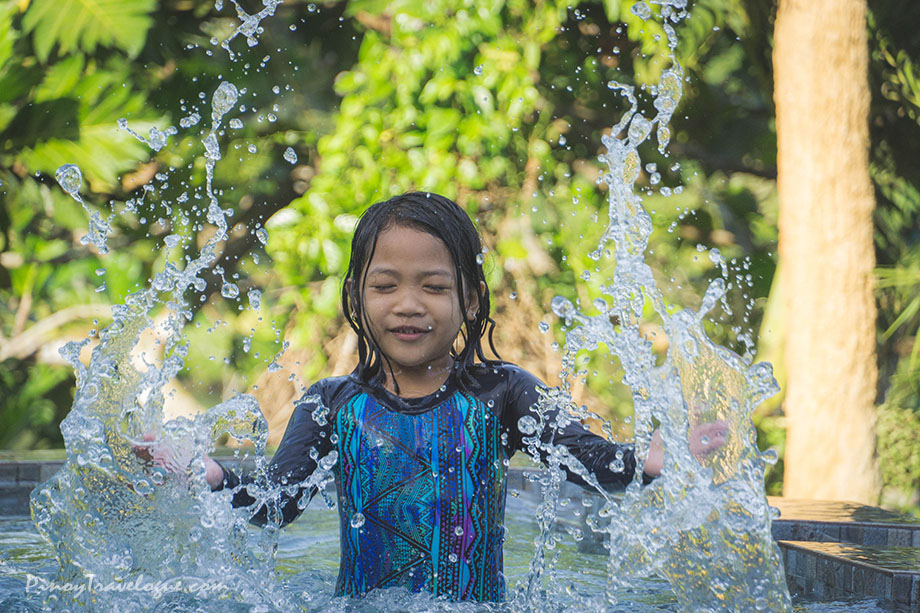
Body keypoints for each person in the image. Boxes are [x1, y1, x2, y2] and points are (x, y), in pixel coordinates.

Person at [141, 191, 726, 602]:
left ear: (470, 298)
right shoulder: (331, 405)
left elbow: (584, 458)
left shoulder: (503, 394)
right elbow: (274, 504)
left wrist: (647, 462)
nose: (409, 304)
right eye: (385, 285)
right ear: (357, 296)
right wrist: (207, 473)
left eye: (434, 286)